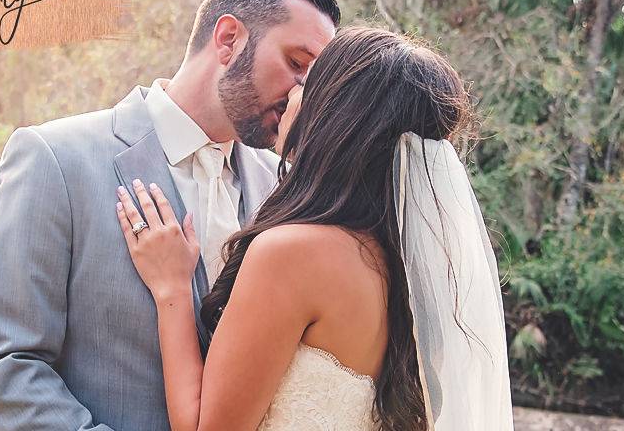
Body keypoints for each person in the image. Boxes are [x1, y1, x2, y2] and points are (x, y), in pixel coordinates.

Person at [0, 0, 340, 430]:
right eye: (297, 64)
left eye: (314, 82)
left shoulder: (285, 190)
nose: (302, 96)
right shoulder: (54, 159)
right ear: (228, 38)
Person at [116, 26, 514, 430]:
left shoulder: (293, 253)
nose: (291, 93)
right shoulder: (424, 271)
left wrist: (172, 290)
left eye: (307, 81)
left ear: (337, 113)